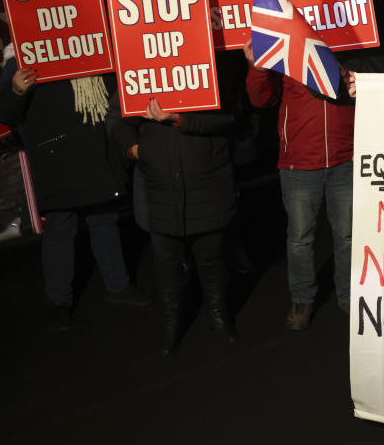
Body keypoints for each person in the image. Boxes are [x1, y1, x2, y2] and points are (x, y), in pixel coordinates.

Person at [0, 46, 148, 332]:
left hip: (97, 153)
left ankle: (118, 286)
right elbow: (1, 113)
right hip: (58, 160)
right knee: (61, 227)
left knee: (104, 220)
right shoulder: (22, 54)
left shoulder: (96, 43)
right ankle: (59, 302)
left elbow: (119, 94)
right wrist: (16, 90)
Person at [108, 70, 242, 354]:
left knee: (212, 260)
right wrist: (133, 150)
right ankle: (172, 323)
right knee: (167, 264)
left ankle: (219, 317)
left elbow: (230, 119)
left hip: (208, 184)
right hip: (158, 188)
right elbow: (118, 119)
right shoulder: (137, 70)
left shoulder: (208, 64)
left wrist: (180, 119)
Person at [243, 40, 355, 331]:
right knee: (300, 238)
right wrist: (257, 65)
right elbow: (260, 99)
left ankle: (348, 294)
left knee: (348, 235)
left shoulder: (350, 39)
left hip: (347, 157)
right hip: (300, 162)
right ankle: (302, 298)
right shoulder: (287, 44)